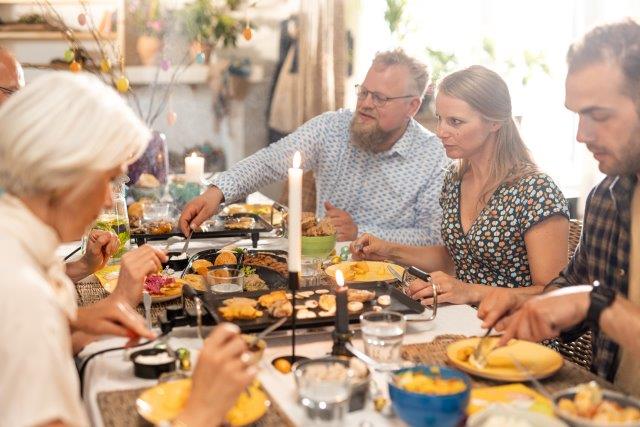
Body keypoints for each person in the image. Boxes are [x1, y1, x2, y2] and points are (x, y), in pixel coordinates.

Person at [0, 72, 255, 426]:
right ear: (64, 171)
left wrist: (73, 328)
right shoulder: (22, 295)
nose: (108, 201)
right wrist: (202, 410)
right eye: (108, 179)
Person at [477, 20, 640, 393]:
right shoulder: (607, 198)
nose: (582, 135)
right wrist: (519, 303)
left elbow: (588, 300)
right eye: (577, 115)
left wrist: (598, 304)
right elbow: (573, 288)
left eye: (598, 115)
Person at [180, 48, 449, 245]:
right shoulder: (331, 127)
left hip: (394, 282)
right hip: (320, 266)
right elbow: (270, 161)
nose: (366, 104)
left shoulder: (434, 157)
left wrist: (361, 233)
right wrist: (216, 192)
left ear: (412, 106)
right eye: (363, 92)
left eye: (379, 98)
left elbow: (433, 238)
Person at [351, 66, 570, 307]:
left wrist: (469, 292)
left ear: (494, 123)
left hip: (516, 331)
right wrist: (388, 250)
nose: (441, 132)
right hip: (464, 318)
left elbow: (553, 294)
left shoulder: (536, 191)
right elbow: (454, 258)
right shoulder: (455, 178)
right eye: (439, 119)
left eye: (455, 122)